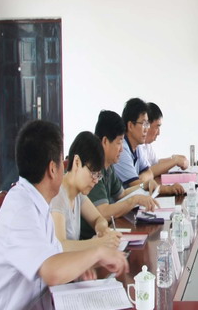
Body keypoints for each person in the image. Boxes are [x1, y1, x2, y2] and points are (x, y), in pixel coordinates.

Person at [0, 120, 128, 310]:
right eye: (62, 162)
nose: (65, 169)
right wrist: (97, 252)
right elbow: (51, 272)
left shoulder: (36, 201)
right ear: (52, 169)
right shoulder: (21, 210)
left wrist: (79, 265)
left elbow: (55, 253)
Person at [81, 110, 159, 240]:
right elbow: (103, 212)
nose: (122, 149)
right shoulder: (93, 170)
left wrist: (144, 185)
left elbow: (122, 194)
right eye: (119, 143)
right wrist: (135, 200)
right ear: (105, 141)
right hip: (90, 239)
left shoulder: (108, 167)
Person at [50, 131, 122, 250]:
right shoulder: (58, 196)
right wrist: (99, 242)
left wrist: (102, 229)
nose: (96, 180)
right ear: (77, 162)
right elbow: (61, 246)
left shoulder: (78, 194)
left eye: (98, 175)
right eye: (93, 173)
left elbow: (98, 219)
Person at [115, 98, 184, 196]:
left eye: (147, 124)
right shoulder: (122, 149)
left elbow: (149, 173)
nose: (146, 129)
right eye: (144, 124)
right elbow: (136, 185)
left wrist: (143, 180)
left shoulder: (137, 146)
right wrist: (168, 189)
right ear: (130, 126)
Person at [138, 102, 189, 177]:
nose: (159, 133)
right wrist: (175, 161)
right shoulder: (136, 145)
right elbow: (146, 173)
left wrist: (174, 158)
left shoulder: (146, 145)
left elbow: (156, 163)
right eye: (157, 127)